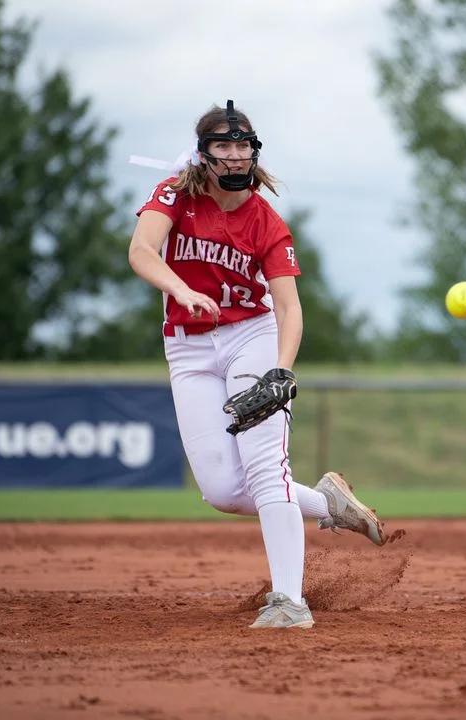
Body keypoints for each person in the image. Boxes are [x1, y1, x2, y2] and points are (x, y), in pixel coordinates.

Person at [128, 99, 389, 629]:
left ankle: (290, 602)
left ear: (254, 152)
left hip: (252, 336)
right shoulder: (177, 194)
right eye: (222, 145)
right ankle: (328, 504)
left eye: (242, 144)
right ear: (203, 154)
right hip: (188, 345)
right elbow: (141, 251)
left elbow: (290, 308)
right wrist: (181, 291)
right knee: (223, 490)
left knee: (266, 467)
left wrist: (281, 369)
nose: (233, 154)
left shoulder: (266, 222)